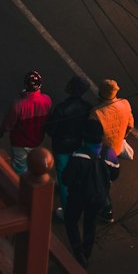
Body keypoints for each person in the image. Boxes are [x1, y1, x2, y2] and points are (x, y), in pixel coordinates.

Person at [62, 120, 112, 267]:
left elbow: (66, 179)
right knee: (90, 224)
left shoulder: (77, 156)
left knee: (71, 220)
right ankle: (86, 252)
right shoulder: (108, 153)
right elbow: (115, 173)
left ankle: (78, 252)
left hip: (78, 197)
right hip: (98, 196)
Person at [46, 77, 92, 214]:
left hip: (61, 146)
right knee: (76, 175)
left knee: (64, 176)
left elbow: (51, 129)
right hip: (78, 144)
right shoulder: (88, 107)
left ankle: (68, 211)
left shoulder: (61, 108)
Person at [0, 71, 52, 175]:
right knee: (35, 166)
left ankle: (19, 189)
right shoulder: (47, 100)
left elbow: (8, 124)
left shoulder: (18, 105)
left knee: (20, 169)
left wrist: (1, 130)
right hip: (37, 141)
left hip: (19, 143)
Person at [93, 79, 134, 166]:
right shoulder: (125, 104)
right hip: (117, 149)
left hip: (101, 152)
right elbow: (130, 125)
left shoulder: (96, 112)